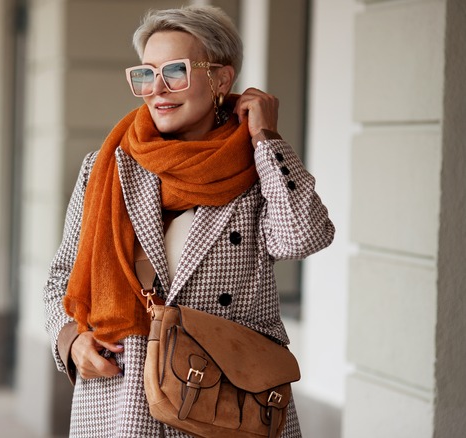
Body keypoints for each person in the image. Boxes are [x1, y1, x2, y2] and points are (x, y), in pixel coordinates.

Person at [44, 5, 334, 437]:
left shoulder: (258, 168)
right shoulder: (109, 168)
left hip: (227, 398)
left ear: (220, 78)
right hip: (124, 399)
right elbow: (61, 277)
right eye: (146, 74)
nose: (157, 89)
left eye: (175, 71)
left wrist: (267, 139)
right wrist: (71, 340)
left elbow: (303, 237)